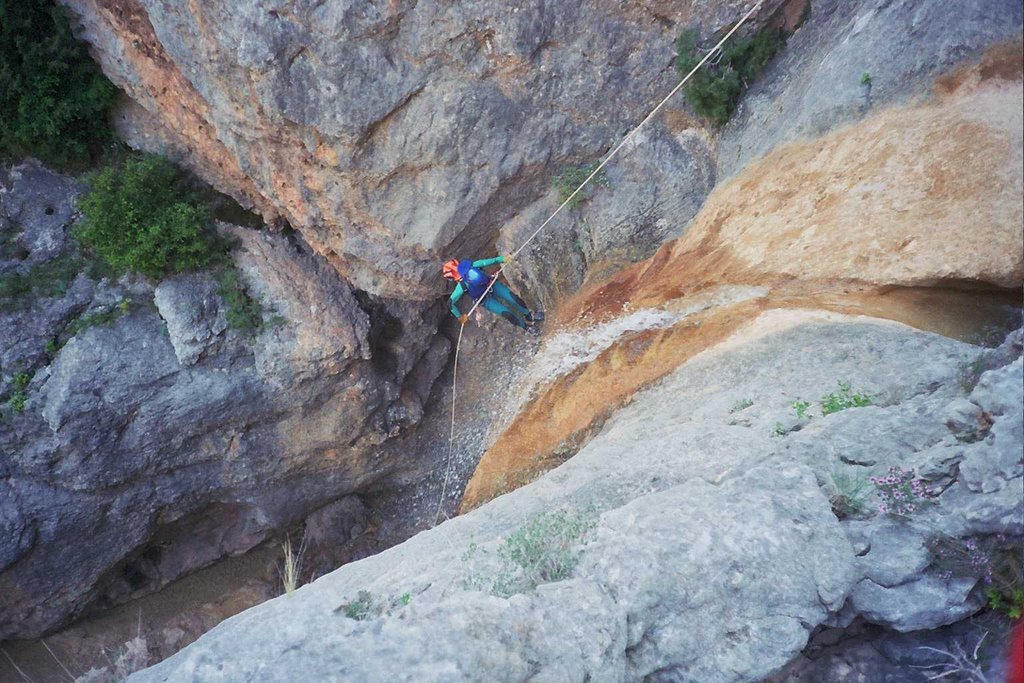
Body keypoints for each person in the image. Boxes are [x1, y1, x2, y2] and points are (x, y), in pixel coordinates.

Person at [442, 255, 544, 333]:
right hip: (486, 298)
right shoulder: (473, 266)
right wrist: (504, 258)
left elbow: (450, 303)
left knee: (512, 303)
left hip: (491, 286)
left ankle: (529, 318)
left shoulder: (461, 286)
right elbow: (491, 261)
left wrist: (460, 317)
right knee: (509, 309)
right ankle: (526, 325)